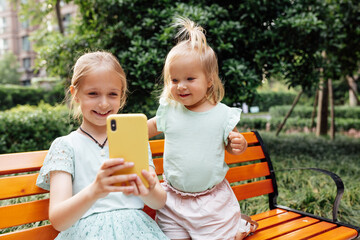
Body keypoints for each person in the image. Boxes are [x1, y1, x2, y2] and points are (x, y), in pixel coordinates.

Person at [36, 51, 169, 239]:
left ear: (121, 96)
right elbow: (58, 220)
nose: (104, 103)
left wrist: (149, 189)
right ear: (75, 94)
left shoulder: (133, 139)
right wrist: (94, 191)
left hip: (136, 231)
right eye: (93, 93)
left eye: (112, 94)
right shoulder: (66, 146)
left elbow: (159, 201)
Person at [147, 17, 258, 240]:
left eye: (190, 78)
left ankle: (235, 226)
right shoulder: (170, 111)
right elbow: (142, 130)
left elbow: (233, 144)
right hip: (173, 202)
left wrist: (239, 144)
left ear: (209, 80)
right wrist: (114, 132)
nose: (181, 86)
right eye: (174, 79)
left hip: (210, 205)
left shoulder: (222, 115)